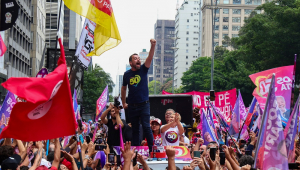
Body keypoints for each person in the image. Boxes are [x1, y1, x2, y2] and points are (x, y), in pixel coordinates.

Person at [121, 39, 156, 152]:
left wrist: (153, 46)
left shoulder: (143, 70)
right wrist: (123, 103)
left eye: (139, 59)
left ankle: (152, 150)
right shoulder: (127, 74)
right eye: (135, 59)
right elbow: (124, 88)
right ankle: (135, 151)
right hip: (132, 105)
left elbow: (149, 58)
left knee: (146, 126)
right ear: (131, 63)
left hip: (144, 104)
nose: (138, 60)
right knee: (135, 129)